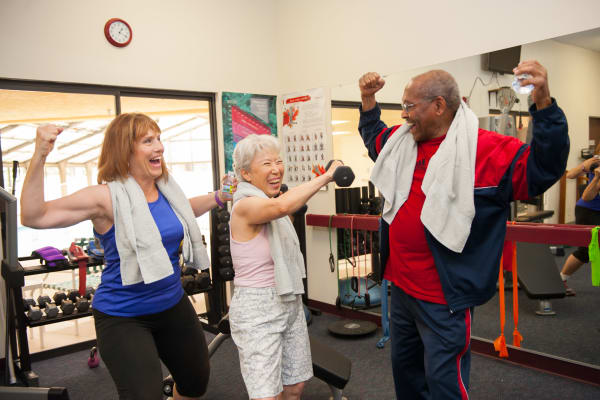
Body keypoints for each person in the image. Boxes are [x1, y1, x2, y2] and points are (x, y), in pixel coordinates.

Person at [358, 60, 569, 399]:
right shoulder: (402, 143)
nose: (404, 116)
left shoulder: (486, 151)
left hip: (444, 298)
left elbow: (544, 168)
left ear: (439, 106)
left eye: (410, 107)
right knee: (407, 378)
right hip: (402, 289)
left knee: (444, 386)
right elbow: (374, 140)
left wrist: (542, 104)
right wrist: (368, 101)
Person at [20, 113, 233, 400]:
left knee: (196, 383)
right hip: (124, 315)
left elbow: (184, 210)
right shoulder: (105, 197)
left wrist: (220, 196)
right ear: (125, 150)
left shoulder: (167, 190)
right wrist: (40, 155)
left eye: (159, 139)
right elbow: (35, 215)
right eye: (148, 141)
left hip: (172, 304)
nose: (159, 147)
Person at [228, 134, 341, 400]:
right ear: (245, 173)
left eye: (279, 161)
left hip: (289, 297)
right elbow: (281, 206)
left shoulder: (269, 201)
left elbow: (282, 208)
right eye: (267, 163)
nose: (277, 169)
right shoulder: (245, 205)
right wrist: (328, 175)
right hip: (258, 307)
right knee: (267, 395)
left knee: (294, 386)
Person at [559, 150, 600, 295]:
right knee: (585, 252)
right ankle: (561, 280)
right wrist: (585, 167)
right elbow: (570, 175)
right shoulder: (595, 161)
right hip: (589, 211)